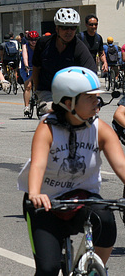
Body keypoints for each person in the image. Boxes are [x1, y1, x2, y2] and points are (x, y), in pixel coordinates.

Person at [17, 67, 125, 275]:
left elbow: (121, 166)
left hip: (84, 200)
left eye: (98, 97)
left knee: (106, 220)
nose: (98, 102)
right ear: (69, 103)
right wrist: (35, 193)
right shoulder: (47, 128)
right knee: (48, 269)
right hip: (45, 204)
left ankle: (95, 269)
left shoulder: (100, 128)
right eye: (90, 98)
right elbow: (38, 164)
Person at [32, 8, 96, 113]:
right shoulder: (43, 43)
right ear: (57, 28)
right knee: (51, 112)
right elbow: (36, 68)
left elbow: (91, 73)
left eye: (72, 28)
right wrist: (37, 91)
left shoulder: (79, 47)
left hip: (71, 93)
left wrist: (94, 99)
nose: (69, 31)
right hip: (47, 91)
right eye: (65, 27)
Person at [21, 31, 39, 116]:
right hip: (27, 66)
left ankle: (40, 102)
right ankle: (27, 107)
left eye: (35, 39)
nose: (34, 41)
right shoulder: (25, 46)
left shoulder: (40, 46)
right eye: (32, 40)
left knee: (39, 85)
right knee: (28, 86)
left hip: (37, 66)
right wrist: (27, 66)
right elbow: (25, 56)